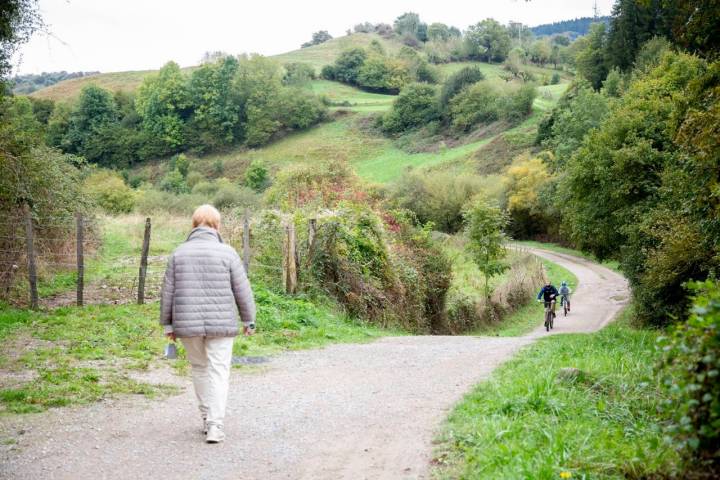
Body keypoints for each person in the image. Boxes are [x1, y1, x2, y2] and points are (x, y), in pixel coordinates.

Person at [160, 204, 256, 444]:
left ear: (194, 225)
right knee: (218, 370)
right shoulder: (228, 253)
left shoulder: (178, 253)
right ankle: (215, 425)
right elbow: (242, 290)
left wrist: (167, 326)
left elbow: (167, 292)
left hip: (187, 323)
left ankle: (206, 418)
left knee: (199, 368)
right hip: (222, 322)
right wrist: (248, 319)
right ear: (217, 225)